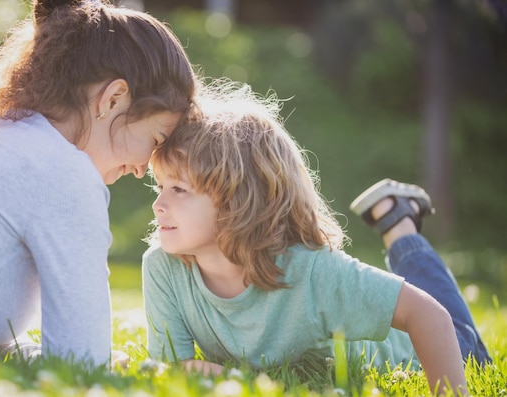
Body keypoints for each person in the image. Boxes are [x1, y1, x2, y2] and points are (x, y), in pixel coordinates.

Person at [0, 0, 197, 367]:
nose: (143, 168)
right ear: (112, 99)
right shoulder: (63, 172)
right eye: (155, 140)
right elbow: (82, 360)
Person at [141, 82, 491, 395]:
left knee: (468, 346)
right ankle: (396, 220)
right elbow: (175, 368)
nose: (159, 204)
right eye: (160, 187)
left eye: (179, 189)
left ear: (237, 200)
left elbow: (429, 317)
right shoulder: (162, 268)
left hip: (417, 353)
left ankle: (401, 230)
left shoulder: (312, 273)